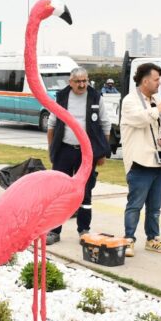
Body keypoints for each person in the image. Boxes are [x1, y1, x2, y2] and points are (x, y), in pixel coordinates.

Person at [45, 67, 111, 244]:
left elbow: (105, 125)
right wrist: (52, 149)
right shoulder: (61, 97)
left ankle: (84, 230)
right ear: (70, 82)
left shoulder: (96, 97)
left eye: (85, 81)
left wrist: (103, 152)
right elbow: (51, 125)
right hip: (65, 150)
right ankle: (54, 230)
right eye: (78, 81)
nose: (82, 85)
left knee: (85, 191)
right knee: (59, 192)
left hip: (88, 154)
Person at [120, 62, 161, 256]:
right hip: (140, 162)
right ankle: (128, 239)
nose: (159, 83)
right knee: (135, 205)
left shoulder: (154, 101)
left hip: (159, 162)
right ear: (145, 81)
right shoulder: (130, 101)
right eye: (156, 79)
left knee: (155, 207)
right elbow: (143, 119)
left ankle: (153, 239)